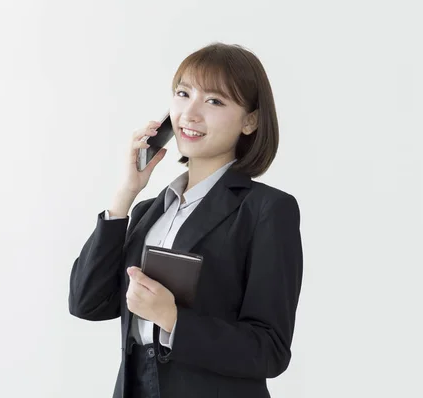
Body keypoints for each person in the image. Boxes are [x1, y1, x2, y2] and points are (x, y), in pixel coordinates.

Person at [68, 42, 303, 398]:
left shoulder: (266, 210)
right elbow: (87, 302)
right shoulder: (149, 212)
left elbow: (270, 350)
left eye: (214, 101)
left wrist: (173, 319)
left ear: (250, 121)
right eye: (183, 94)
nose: (189, 114)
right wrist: (125, 196)